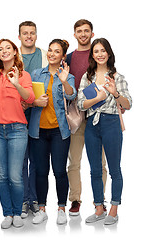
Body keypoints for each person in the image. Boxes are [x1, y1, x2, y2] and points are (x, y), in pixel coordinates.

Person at [77, 38, 132, 225]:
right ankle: (99, 208)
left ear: (108, 53)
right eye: (96, 51)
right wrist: (97, 98)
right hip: (92, 123)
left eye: (103, 51)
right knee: (94, 169)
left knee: (114, 169)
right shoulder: (87, 77)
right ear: (92, 55)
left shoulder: (118, 77)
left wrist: (115, 93)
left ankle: (114, 210)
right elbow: (80, 104)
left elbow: (128, 104)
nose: (100, 54)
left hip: (111, 123)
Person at [28, 39, 77, 225]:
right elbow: (29, 99)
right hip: (38, 131)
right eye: (50, 50)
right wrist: (34, 101)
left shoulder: (67, 75)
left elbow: (71, 95)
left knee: (59, 171)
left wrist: (64, 81)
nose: (52, 54)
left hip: (59, 132)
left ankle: (61, 208)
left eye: (57, 51)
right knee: (41, 171)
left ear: (63, 56)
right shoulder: (36, 74)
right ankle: (41, 209)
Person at [0, 39, 35, 229]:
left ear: (15, 51)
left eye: (8, 48)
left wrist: (16, 83)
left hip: (17, 130)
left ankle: (17, 212)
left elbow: (30, 98)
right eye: (0, 49)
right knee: (1, 176)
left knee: (15, 175)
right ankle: (7, 213)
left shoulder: (23, 75)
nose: (4, 51)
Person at [66, 19, 107, 216]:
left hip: (98, 116)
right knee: (74, 161)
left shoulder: (99, 55)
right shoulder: (68, 58)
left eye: (86, 31)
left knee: (100, 162)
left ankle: (100, 200)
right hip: (76, 116)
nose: (83, 34)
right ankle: (75, 199)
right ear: (74, 34)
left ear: (92, 33)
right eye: (79, 31)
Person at [18, 21, 48, 218]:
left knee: (36, 161)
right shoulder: (12, 55)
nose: (29, 36)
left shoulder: (44, 55)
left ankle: (34, 200)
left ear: (36, 35)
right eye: (25, 33)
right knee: (20, 160)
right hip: (17, 117)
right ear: (19, 36)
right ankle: (23, 200)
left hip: (39, 116)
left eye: (32, 33)